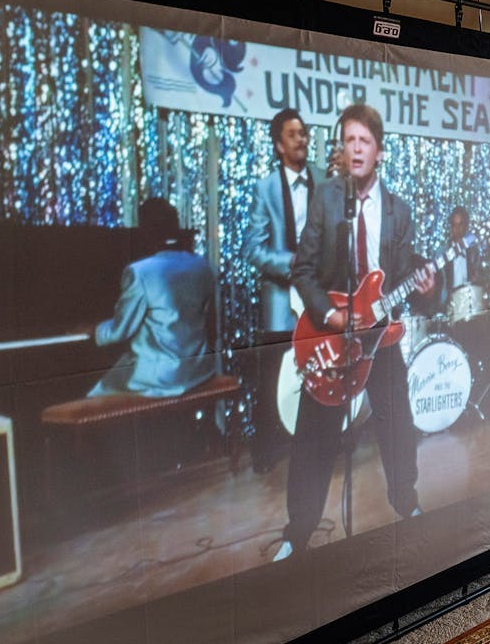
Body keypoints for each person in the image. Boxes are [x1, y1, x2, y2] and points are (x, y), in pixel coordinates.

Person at [274, 103, 433, 561]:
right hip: (331, 339)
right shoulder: (326, 199)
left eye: (365, 141)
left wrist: (426, 284)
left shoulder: (398, 212)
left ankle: (408, 504)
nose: (356, 148)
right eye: (349, 140)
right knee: (312, 440)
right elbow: (302, 271)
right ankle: (296, 534)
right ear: (341, 150)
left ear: (379, 152)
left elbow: (404, 279)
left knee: (399, 426)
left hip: (379, 339)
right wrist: (333, 316)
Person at [247, 108, 323, 472]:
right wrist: (291, 263)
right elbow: (253, 250)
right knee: (273, 378)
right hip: (279, 303)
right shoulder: (264, 188)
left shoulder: (324, 181)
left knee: (320, 371)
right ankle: (266, 453)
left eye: (304, 133)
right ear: (279, 145)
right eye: (293, 135)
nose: (302, 139)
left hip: (317, 300)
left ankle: (319, 445)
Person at [88, 197, 217, 398]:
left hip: (159, 378)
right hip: (198, 370)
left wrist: (93, 330)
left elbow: (119, 331)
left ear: (144, 232)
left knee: (94, 394)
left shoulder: (139, 272)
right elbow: (207, 321)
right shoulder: (202, 266)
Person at [436, 205, 486, 323]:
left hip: (470, 307)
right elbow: (438, 287)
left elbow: (481, 280)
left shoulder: (474, 252)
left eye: (460, 225)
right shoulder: (442, 253)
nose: (456, 230)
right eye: (454, 225)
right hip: (448, 309)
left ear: (466, 227)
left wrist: (477, 278)